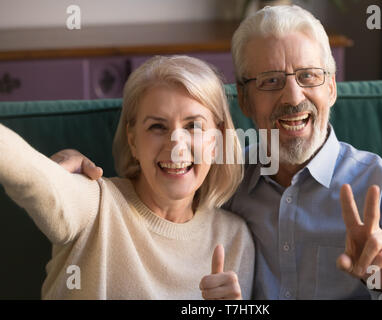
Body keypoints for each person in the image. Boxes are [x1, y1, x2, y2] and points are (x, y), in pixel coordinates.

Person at [53, 5, 382, 299]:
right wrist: (65, 170)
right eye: (271, 81)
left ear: (331, 87)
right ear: (243, 99)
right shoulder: (217, 169)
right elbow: (149, 182)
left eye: (308, 76)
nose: (293, 98)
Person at [0, 55, 255, 299]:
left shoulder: (235, 238)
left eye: (193, 126)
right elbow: (29, 176)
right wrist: (53, 171)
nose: (177, 144)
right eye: (157, 126)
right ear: (133, 140)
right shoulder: (94, 205)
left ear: (216, 140)